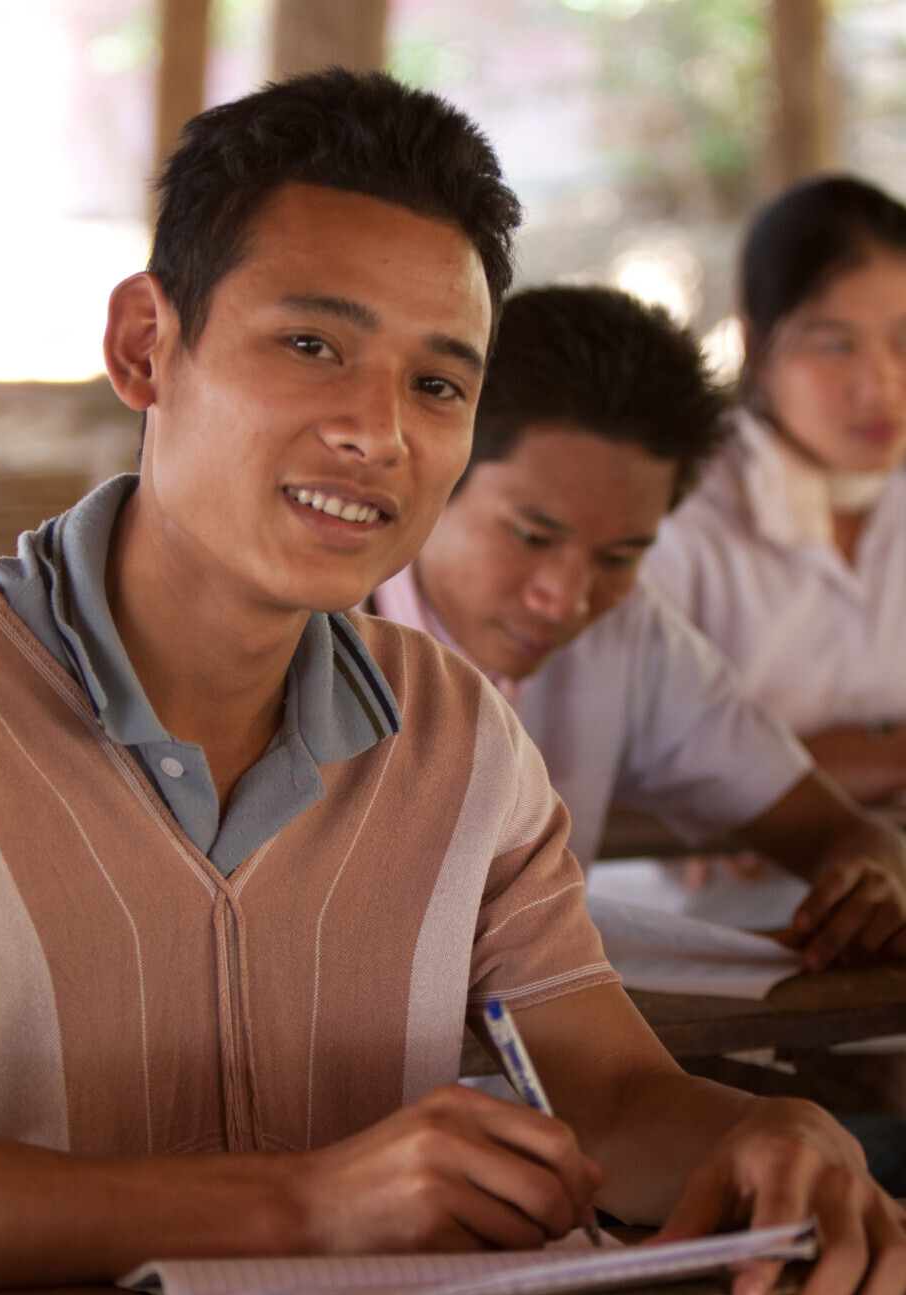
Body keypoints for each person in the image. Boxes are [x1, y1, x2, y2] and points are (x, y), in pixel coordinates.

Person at [0, 73, 904, 1295]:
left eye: (439, 382)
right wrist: (305, 1204)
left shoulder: (455, 736)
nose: (380, 430)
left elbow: (606, 1092)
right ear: (146, 343)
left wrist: (766, 1133)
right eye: (313, 343)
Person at [372, 283, 906, 972]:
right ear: (437, 467)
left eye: (619, 557)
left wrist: (871, 878)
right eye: (533, 536)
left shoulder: (626, 636)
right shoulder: (312, 631)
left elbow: (837, 831)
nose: (565, 600)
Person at [643, 174, 906, 808]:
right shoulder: (677, 517)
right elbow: (665, 779)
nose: (881, 385)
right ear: (757, 348)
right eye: (836, 344)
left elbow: (742, 785)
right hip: (703, 899)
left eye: (905, 341)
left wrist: (777, 778)